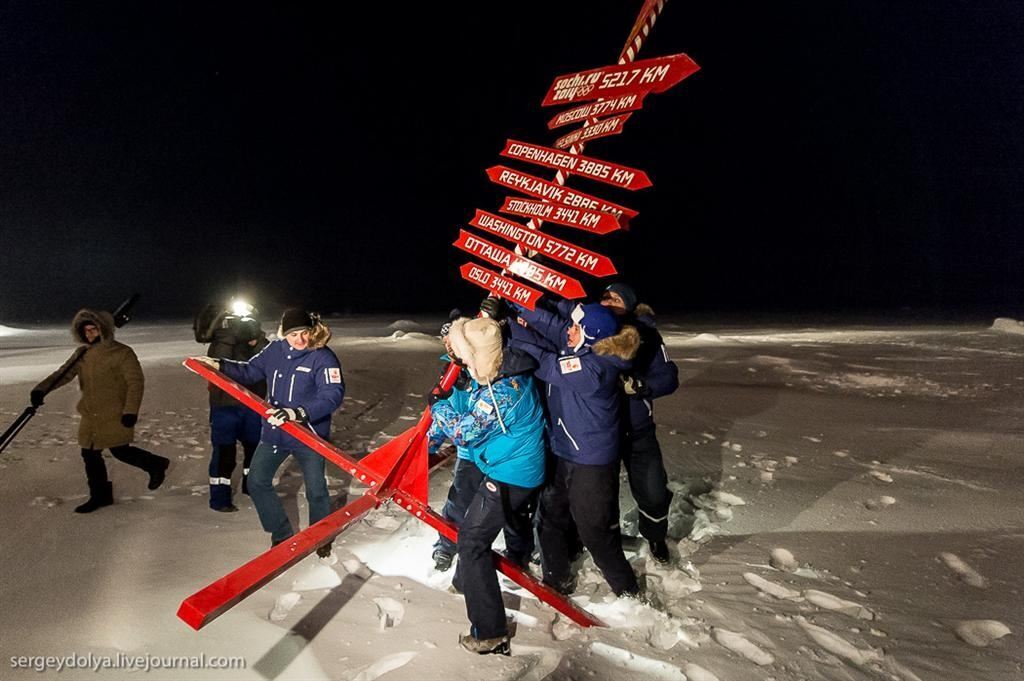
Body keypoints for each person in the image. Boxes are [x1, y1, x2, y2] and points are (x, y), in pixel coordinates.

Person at [428, 316, 546, 656]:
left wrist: (438, 407)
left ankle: (491, 633)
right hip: (502, 465)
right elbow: (465, 406)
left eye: (465, 354)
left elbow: (465, 431)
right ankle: (468, 583)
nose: (461, 360)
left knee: (473, 541)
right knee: (473, 533)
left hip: (513, 474)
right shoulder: (495, 371)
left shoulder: (504, 391)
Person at [508, 300, 641, 597]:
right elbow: (551, 325)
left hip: (590, 463)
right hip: (564, 451)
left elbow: (545, 364)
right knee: (549, 517)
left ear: (592, 335)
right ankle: (557, 581)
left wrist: (510, 328)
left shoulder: (595, 367)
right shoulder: (582, 345)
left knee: (595, 533)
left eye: (577, 327)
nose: (570, 330)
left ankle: (629, 592)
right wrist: (514, 306)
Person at [191, 308, 343, 560]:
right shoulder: (275, 351)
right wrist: (219, 364)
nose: (301, 340)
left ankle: (321, 536)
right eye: (294, 334)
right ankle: (281, 534)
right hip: (276, 432)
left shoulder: (322, 357)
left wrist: (299, 412)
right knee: (258, 481)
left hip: (309, 435)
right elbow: (250, 371)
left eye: (305, 332)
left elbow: (332, 396)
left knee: (316, 490)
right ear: (285, 333)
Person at [427, 309, 541, 572]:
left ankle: (517, 553)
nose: (448, 346)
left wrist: (439, 407)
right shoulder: (452, 372)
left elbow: (464, 424)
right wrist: (427, 447)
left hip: (497, 454)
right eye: (446, 341)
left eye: (453, 341)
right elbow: (445, 415)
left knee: (510, 512)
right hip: (473, 454)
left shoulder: (495, 374)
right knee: (459, 502)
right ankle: (447, 545)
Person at [30, 309, 170, 513]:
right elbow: (63, 374)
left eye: (93, 330)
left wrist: (131, 410)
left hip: (114, 412)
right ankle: (100, 496)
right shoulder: (82, 354)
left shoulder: (122, 353)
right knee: (89, 454)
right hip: (90, 414)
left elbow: (135, 383)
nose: (89, 335)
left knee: (120, 450)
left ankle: (156, 464)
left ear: (103, 329)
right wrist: (41, 390)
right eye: (86, 331)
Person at [600, 283, 680, 564]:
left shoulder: (647, 335)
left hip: (637, 430)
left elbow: (669, 377)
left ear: (630, 305)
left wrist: (641, 386)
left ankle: (655, 537)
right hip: (598, 431)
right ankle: (603, 540)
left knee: (653, 489)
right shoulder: (591, 329)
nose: (608, 301)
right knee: (598, 495)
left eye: (616, 298)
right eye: (605, 296)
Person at [193, 303, 269, 512]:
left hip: (253, 404)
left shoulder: (260, 341)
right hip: (225, 406)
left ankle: (251, 487)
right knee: (224, 453)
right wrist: (229, 335)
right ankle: (219, 498)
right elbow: (218, 361)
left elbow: (266, 361)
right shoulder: (221, 340)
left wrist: (256, 337)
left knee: (254, 451)